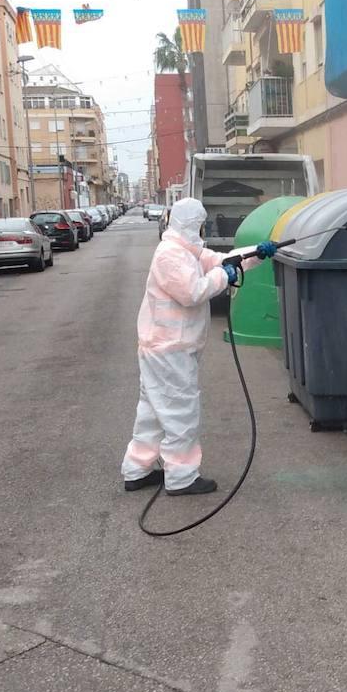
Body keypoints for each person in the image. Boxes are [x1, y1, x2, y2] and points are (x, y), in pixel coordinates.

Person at [120, 198, 277, 496]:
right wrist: (224, 277)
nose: (204, 228)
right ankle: (181, 476)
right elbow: (193, 292)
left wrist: (256, 253)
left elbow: (220, 260)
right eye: (201, 223)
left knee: (153, 412)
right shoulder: (171, 255)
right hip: (169, 349)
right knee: (180, 411)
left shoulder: (184, 250)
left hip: (164, 347)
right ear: (192, 224)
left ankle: (137, 469)